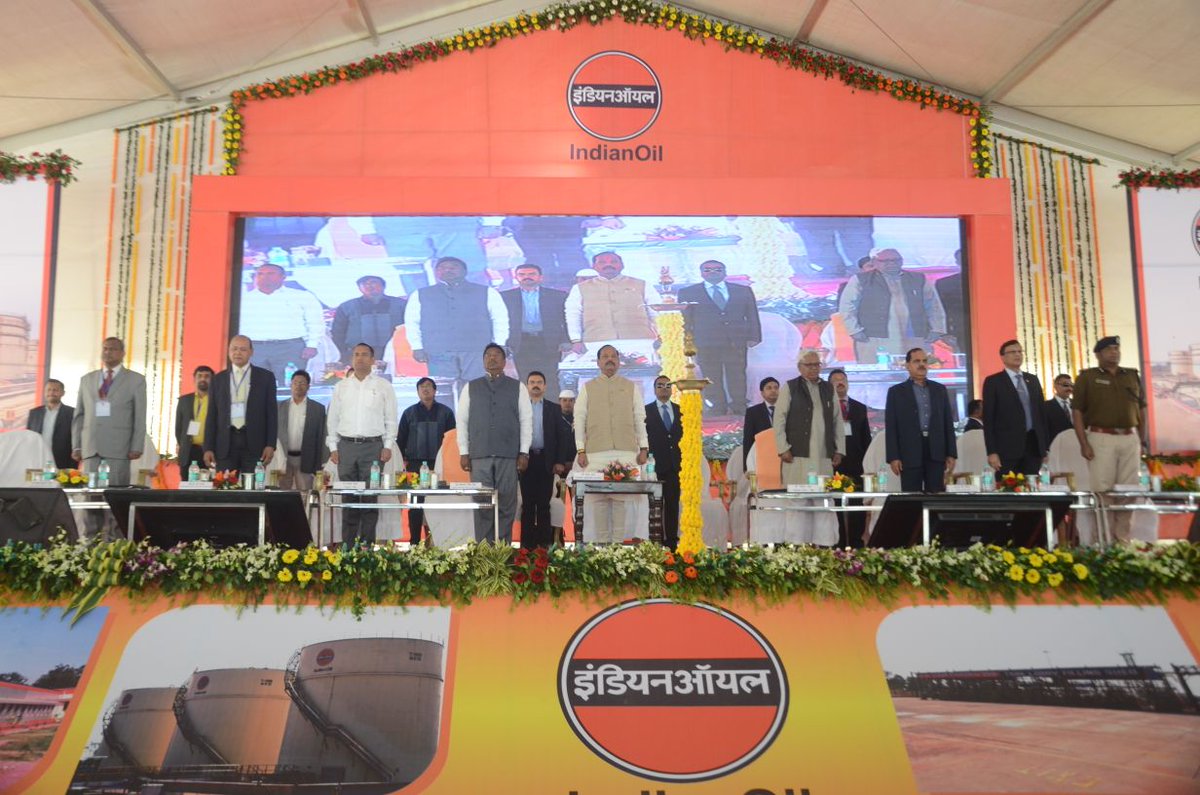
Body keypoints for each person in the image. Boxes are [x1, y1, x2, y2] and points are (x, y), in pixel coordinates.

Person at [1073, 336, 1146, 542]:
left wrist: (1141, 440)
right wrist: (1084, 443)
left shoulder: (1131, 375)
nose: (1114, 352)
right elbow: (1077, 411)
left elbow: (1142, 409)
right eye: (1109, 349)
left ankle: (1122, 541)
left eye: (1116, 348)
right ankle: (1104, 542)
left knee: (1128, 491)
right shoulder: (1087, 377)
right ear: (1098, 354)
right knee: (1102, 491)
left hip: (1130, 438)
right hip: (1101, 437)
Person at [457, 343, 533, 544]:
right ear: (483, 361)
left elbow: (526, 421)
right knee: (482, 503)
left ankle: (503, 550)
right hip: (479, 455)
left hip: (508, 455)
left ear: (504, 361)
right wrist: (464, 451)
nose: (492, 358)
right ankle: (484, 552)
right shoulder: (470, 387)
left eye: (497, 355)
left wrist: (524, 452)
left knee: (507, 504)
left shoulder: (518, 387)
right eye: (488, 355)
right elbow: (462, 421)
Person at [574, 345, 650, 543]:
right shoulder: (588, 388)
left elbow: (639, 418)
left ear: (618, 361)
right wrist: (580, 449)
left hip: (625, 452)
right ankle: (601, 549)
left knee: (620, 501)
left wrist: (644, 447)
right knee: (598, 501)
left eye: (613, 356)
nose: (609, 360)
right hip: (595, 453)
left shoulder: (630, 387)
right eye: (605, 357)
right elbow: (579, 419)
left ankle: (617, 547)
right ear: (598, 362)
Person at [326, 343, 399, 546]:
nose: (360, 358)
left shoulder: (383, 386)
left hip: (373, 448)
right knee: (348, 498)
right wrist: (333, 447)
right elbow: (332, 420)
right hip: (346, 447)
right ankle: (348, 547)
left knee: (370, 498)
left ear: (372, 360)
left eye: (365, 355)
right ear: (352, 359)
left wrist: (388, 445)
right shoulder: (341, 387)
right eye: (356, 354)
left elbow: (391, 418)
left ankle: (367, 546)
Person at [404, 257, 509, 392]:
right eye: (442, 268)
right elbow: (412, 322)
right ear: (436, 272)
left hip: (477, 350)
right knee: (443, 390)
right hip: (438, 351)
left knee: (479, 388)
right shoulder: (419, 294)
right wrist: (417, 347)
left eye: (453, 267)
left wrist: (500, 344)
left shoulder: (487, 292)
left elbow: (499, 319)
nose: (448, 270)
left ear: (465, 271)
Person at [678, 260, 762, 416]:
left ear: (725, 272)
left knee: (737, 374)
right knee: (710, 375)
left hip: (735, 341)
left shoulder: (742, 291)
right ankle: (717, 407)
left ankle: (739, 405)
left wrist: (754, 336)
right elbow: (685, 320)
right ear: (701, 273)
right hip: (705, 343)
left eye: (717, 269)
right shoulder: (688, 292)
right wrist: (688, 342)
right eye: (708, 270)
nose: (712, 272)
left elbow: (752, 315)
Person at [838, 248, 948, 364]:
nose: (892, 263)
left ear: (902, 261)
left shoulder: (918, 279)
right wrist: (854, 330)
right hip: (874, 336)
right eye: (885, 261)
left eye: (896, 260)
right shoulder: (861, 280)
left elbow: (933, 306)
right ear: (874, 262)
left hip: (914, 334)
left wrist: (937, 328)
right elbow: (847, 306)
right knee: (879, 370)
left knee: (915, 368)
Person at [71, 337, 147, 487]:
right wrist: (77, 445)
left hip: (119, 448)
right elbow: (79, 415)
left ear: (123, 353)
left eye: (112, 349)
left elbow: (139, 416)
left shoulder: (135, 380)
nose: (108, 352)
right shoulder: (87, 379)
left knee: (115, 492)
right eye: (105, 348)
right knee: (90, 493)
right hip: (91, 447)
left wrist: (136, 446)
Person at [239, 262, 326, 384]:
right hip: (255, 348)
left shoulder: (301, 296)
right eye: (260, 274)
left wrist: (312, 345)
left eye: (270, 274)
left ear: (283, 277)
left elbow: (315, 322)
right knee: (256, 385)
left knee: (290, 385)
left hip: (290, 348)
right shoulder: (244, 299)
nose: (264, 277)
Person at [884, 348, 957, 493]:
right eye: (917, 361)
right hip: (909, 451)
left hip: (936, 451)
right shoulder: (896, 392)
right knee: (911, 497)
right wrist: (893, 457)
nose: (922, 364)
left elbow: (947, 423)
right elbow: (891, 426)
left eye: (924, 361)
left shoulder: (939, 390)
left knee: (936, 495)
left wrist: (951, 453)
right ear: (908, 365)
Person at [203, 335, 278, 475]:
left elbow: (272, 414)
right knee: (225, 486)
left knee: (253, 486)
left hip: (255, 443)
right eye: (234, 349)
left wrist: (270, 445)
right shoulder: (218, 379)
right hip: (225, 443)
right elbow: (212, 415)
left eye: (243, 349)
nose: (238, 353)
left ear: (251, 352)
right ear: (228, 351)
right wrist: (208, 447)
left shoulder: (265, 377)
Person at [565, 252, 659, 359]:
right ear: (594, 266)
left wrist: (662, 336)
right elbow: (573, 315)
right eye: (602, 262)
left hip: (641, 342)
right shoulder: (579, 288)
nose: (608, 265)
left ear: (622, 265)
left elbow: (655, 313)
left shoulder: (642, 284)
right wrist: (576, 340)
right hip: (595, 343)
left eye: (613, 262)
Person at [519, 371, 575, 548]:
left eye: (539, 382)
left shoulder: (553, 409)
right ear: (527, 386)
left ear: (545, 386)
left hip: (546, 461)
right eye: (532, 382)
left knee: (544, 505)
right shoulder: (519, 407)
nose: (535, 385)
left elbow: (561, 438)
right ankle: (526, 548)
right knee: (528, 505)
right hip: (525, 461)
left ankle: (544, 547)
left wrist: (559, 461)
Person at [773, 350, 845, 486]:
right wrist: (783, 448)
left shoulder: (829, 388)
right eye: (809, 365)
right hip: (797, 453)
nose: (814, 368)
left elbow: (837, 421)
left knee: (823, 492)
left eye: (817, 364)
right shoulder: (790, 387)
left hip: (823, 453)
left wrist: (839, 450)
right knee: (798, 492)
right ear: (799, 367)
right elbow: (779, 420)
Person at [397, 377, 456, 540]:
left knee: (437, 504)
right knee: (415, 505)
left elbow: (452, 440)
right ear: (417, 391)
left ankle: (437, 542)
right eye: (422, 387)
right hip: (415, 466)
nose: (425, 389)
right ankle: (414, 543)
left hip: (439, 466)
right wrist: (401, 465)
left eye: (429, 386)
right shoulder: (409, 413)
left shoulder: (446, 412)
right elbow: (401, 440)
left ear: (435, 390)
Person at [501, 264, 570, 400]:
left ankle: (552, 408)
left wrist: (566, 340)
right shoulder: (505, 297)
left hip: (548, 341)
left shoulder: (557, 296)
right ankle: (528, 408)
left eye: (531, 274)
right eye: (522, 274)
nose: (527, 277)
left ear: (540, 277)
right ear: (516, 277)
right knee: (525, 377)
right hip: (520, 342)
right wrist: (503, 343)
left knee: (550, 377)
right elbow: (500, 321)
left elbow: (566, 319)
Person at [982, 339, 1049, 476]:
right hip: (1006, 448)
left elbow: (1041, 415)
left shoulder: (1032, 380)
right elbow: (988, 419)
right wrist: (992, 451)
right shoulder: (994, 382)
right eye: (1013, 352)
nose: (1017, 355)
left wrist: (1044, 448)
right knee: (1007, 486)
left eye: (1020, 351)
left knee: (1032, 485)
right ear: (1002, 357)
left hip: (1033, 446)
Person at [829, 368, 871, 547]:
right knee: (835, 505)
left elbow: (866, 439)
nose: (840, 383)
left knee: (856, 505)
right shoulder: (825, 408)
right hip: (833, 464)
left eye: (843, 380)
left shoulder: (859, 408)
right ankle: (837, 544)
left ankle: (856, 543)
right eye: (836, 380)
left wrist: (867, 465)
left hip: (856, 464)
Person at [330, 275, 407, 369]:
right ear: (359, 288)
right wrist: (343, 354)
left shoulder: (400, 304)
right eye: (365, 284)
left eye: (373, 283)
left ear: (383, 286)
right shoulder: (347, 306)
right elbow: (338, 332)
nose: (369, 286)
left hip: (395, 353)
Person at [645, 375, 684, 548]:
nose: (664, 389)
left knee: (672, 505)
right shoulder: (646, 411)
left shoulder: (680, 411)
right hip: (653, 466)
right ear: (654, 390)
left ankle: (672, 543)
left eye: (668, 386)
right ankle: (656, 542)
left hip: (675, 466)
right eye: (660, 385)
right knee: (654, 506)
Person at [277, 370, 329, 492]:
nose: (298, 386)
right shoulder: (279, 406)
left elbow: (322, 436)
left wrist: (323, 461)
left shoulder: (318, 408)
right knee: (281, 493)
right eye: (295, 383)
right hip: (283, 457)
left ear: (308, 386)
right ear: (290, 385)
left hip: (305, 458)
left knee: (305, 493)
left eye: (302, 383)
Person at [173, 366, 213, 479]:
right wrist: (182, 445)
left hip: (208, 452)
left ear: (212, 380)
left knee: (208, 486)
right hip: (188, 452)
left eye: (207, 376)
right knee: (186, 485)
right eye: (199, 376)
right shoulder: (184, 400)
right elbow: (178, 428)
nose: (203, 379)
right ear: (194, 379)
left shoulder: (217, 400)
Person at [26, 379, 74, 470]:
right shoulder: (34, 413)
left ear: (63, 393)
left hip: (62, 461)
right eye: (49, 390)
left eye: (55, 390)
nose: (51, 393)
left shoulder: (72, 413)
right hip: (37, 460)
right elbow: (28, 437)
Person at [742, 377, 779, 467]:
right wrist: (747, 467)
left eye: (776, 388)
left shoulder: (787, 409)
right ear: (762, 393)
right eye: (769, 388)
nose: (773, 390)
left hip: (784, 457)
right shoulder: (753, 412)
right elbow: (748, 440)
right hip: (763, 457)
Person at [1043, 373, 1075, 441]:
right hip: (1057, 444)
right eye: (1065, 385)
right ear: (1055, 386)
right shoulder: (1046, 406)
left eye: (1072, 386)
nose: (1069, 388)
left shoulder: (1078, 404)